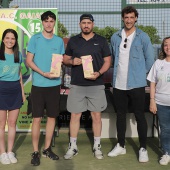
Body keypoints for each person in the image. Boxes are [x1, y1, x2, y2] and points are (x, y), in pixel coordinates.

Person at [108, 6, 155, 162]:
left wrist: (140, 75)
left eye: (131, 17)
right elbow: (113, 59)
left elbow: (150, 60)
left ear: (136, 18)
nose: (128, 20)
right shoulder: (115, 37)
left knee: (139, 115)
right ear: (123, 18)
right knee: (120, 116)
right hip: (118, 84)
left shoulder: (143, 37)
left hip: (137, 84)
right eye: (126, 17)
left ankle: (143, 148)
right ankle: (120, 145)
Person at [63, 14, 111, 160]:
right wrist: (72, 61)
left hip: (96, 84)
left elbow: (107, 61)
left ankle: (97, 146)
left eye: (88, 23)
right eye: (83, 23)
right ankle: (73, 146)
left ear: (93, 24)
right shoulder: (73, 41)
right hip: (77, 84)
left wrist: (99, 73)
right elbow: (65, 59)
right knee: (75, 115)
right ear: (79, 25)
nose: (86, 25)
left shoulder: (101, 41)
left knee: (96, 116)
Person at [26, 11, 65, 166]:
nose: (49, 24)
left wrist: (56, 71)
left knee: (51, 118)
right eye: (46, 21)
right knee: (36, 119)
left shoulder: (59, 41)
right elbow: (29, 61)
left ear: (54, 22)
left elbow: (59, 61)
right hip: (38, 85)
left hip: (54, 86)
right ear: (42, 22)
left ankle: (47, 149)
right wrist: (43, 73)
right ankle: (36, 152)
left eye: (51, 21)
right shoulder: (35, 39)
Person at [0, 29, 25, 164]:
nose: (10, 40)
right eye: (7, 38)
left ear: (16, 41)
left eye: (13, 38)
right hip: (1, 90)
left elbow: (20, 75)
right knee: (1, 124)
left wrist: (22, 93)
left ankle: (10, 151)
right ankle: (2, 153)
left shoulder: (18, 55)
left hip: (15, 90)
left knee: (12, 123)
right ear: (3, 39)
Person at [147, 37, 170, 165]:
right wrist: (152, 100)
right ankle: (166, 153)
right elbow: (152, 83)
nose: (168, 47)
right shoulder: (158, 63)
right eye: (165, 45)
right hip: (161, 103)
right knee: (165, 129)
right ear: (163, 47)